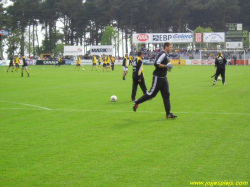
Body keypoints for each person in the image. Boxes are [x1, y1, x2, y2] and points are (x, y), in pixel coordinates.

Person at [133, 42, 177, 119]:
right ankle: (137, 102)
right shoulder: (163, 54)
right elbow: (156, 63)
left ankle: (168, 114)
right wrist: (166, 66)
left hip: (164, 78)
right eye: (170, 47)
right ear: (166, 47)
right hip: (158, 77)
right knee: (151, 94)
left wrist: (168, 67)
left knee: (166, 95)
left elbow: (164, 66)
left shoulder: (166, 55)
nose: (171, 48)